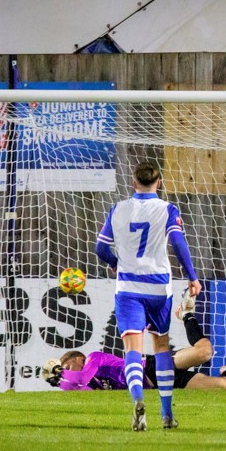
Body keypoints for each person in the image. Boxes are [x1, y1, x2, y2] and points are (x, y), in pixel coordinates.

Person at [95, 162, 202, 431]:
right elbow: (178, 243)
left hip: (129, 289)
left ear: (133, 183)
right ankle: (166, 414)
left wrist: (114, 263)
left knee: (132, 348)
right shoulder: (167, 209)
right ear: (159, 182)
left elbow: (101, 248)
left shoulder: (117, 209)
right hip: (158, 289)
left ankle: (138, 401)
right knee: (161, 346)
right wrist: (192, 276)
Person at [42, 296, 226, 390]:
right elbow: (77, 387)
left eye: (68, 366)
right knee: (224, 385)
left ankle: (187, 315)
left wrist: (62, 374)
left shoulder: (93, 359)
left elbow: (81, 376)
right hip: (160, 387)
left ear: (79, 359)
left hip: (153, 369)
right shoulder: (87, 386)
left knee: (204, 353)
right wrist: (59, 381)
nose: (66, 372)